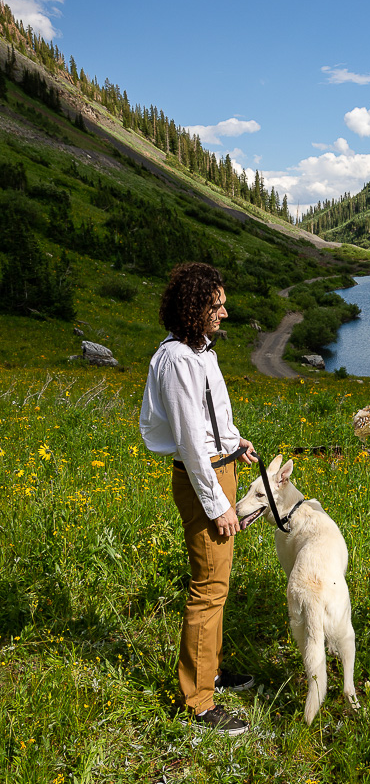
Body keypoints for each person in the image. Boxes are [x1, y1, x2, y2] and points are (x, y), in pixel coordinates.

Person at [140, 263, 258, 736]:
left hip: (219, 467)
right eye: (216, 306)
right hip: (203, 478)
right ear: (194, 307)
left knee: (218, 583)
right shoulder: (176, 360)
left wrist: (236, 443)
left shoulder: (202, 353)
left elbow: (212, 420)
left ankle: (209, 672)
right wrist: (218, 505)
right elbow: (190, 441)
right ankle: (199, 701)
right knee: (208, 588)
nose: (224, 313)